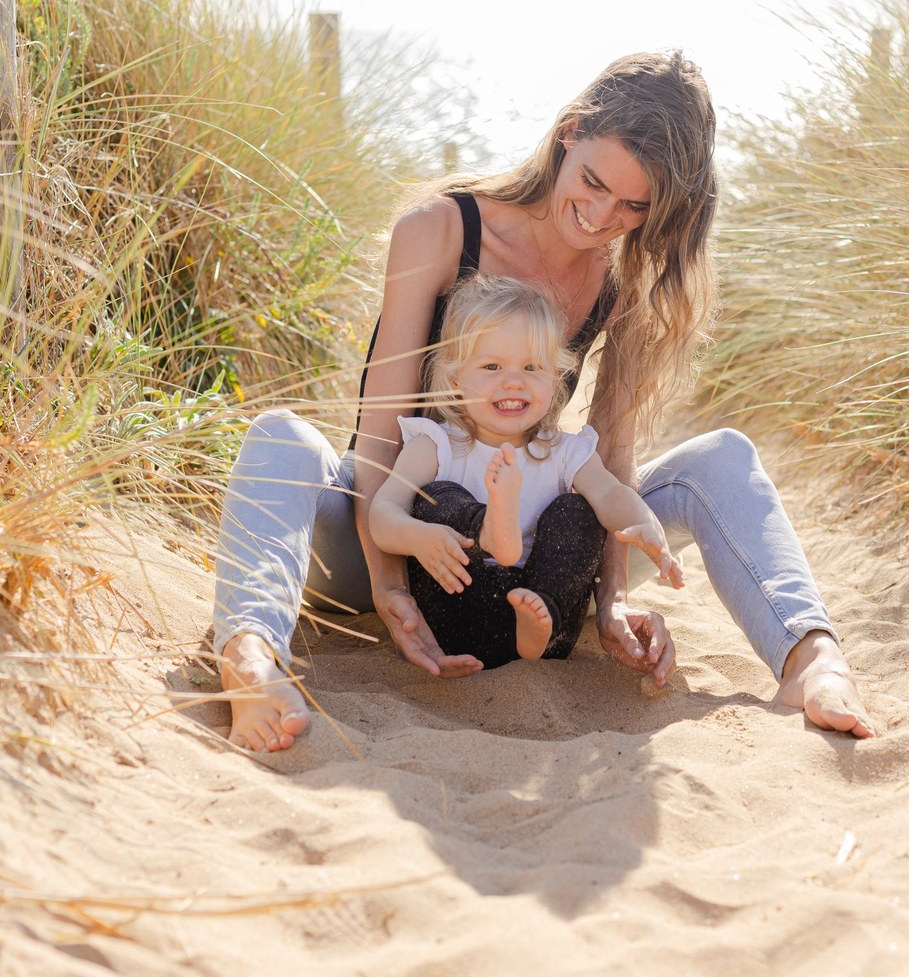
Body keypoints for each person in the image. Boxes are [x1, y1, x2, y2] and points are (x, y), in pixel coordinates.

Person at [215, 50, 874, 752]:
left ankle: (811, 659)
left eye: (633, 206)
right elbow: (379, 433)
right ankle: (250, 657)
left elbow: (611, 455)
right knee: (282, 436)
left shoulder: (628, 279)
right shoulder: (439, 229)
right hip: (394, 535)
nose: (600, 216)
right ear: (569, 133)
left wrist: (612, 599)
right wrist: (390, 586)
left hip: (536, 562)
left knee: (723, 457)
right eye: (592, 182)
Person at [368, 275, 685, 669]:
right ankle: (488, 531)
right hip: (459, 609)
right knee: (439, 496)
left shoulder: (566, 451)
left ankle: (539, 621)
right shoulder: (435, 445)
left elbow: (610, 494)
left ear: (555, 377)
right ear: (455, 379)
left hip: (542, 619)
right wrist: (418, 537)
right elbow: (382, 513)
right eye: (492, 366)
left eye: (532, 367)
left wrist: (645, 524)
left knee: (579, 512)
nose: (514, 381)